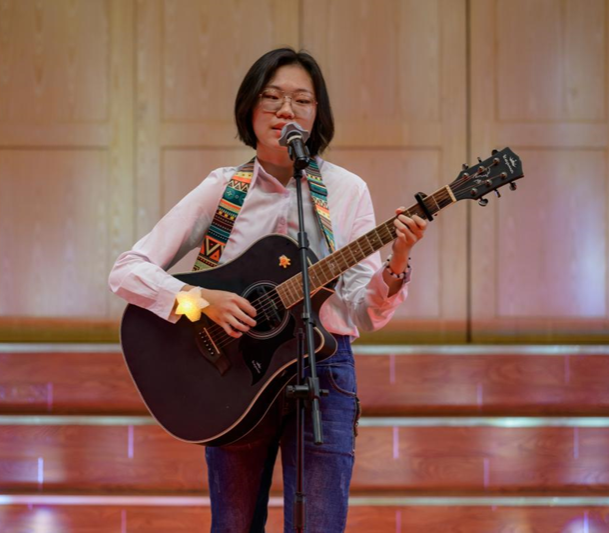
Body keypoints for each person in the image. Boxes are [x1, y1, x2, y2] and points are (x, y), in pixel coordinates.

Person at [109, 48, 428, 533]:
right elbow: (127, 270)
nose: (286, 110)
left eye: (302, 100)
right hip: (232, 374)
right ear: (250, 109)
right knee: (234, 526)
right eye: (272, 97)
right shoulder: (223, 189)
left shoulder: (346, 191)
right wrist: (200, 301)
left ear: (317, 113)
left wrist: (398, 261)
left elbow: (365, 314)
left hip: (323, 372)